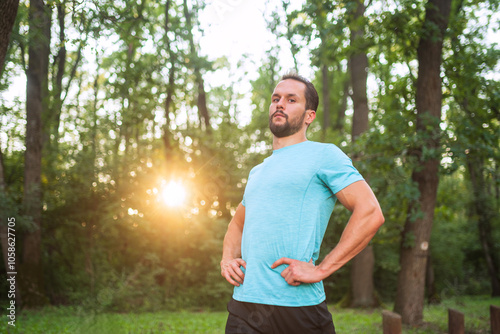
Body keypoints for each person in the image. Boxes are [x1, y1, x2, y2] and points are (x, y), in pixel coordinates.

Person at [220, 73, 385, 334]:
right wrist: (227, 258)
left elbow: (370, 212)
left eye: (291, 99)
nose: (279, 104)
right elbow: (237, 224)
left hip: (297, 308)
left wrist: (321, 270)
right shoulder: (258, 171)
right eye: (275, 99)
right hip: (245, 306)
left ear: (309, 116)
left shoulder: (324, 155)